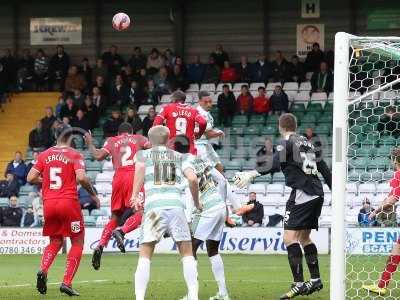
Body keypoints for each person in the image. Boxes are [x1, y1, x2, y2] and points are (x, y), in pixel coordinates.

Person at [233, 113, 324, 299]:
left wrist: (252, 173)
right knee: (305, 238)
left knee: (289, 239)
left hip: (302, 192)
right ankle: (315, 279)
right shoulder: (306, 142)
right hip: (316, 191)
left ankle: (298, 284)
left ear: (280, 126)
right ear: (296, 126)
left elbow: (274, 162)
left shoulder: (287, 142)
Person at [26, 124, 99, 296]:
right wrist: (93, 194)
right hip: (68, 204)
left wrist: (46, 182)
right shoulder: (74, 155)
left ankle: (43, 269)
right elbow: (81, 177)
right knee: (77, 241)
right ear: (69, 136)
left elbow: (30, 177)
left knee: (55, 242)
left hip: (49, 204)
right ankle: (66, 282)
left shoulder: (45, 155)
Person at [130, 126, 201, 300]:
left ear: (149, 140)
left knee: (146, 253)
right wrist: (197, 202)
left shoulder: (142, 155)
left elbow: (139, 171)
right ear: (168, 139)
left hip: (154, 208)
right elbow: (192, 178)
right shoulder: (180, 156)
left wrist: (134, 195)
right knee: (187, 252)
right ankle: (193, 296)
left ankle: (140, 298)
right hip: (176, 207)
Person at [174, 135, 231, 300]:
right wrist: (223, 205)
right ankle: (223, 293)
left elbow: (189, 191)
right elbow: (222, 180)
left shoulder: (184, 164)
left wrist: (192, 213)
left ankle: (192, 295)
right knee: (212, 249)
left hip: (207, 209)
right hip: (219, 205)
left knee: (189, 249)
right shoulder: (200, 160)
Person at [85, 123, 148, 268]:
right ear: (131, 132)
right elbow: (153, 146)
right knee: (140, 212)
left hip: (118, 179)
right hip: (134, 176)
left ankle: (101, 245)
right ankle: (122, 231)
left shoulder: (111, 140)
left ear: (119, 133)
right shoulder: (139, 138)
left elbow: (98, 156)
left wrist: (90, 143)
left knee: (115, 217)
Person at [362, 147, 400, 296]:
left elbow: (392, 200)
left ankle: (382, 285)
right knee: (396, 251)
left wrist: (375, 211)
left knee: (396, 252)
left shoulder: (398, 174)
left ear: (393, 160)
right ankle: (381, 285)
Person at [153, 90, 207, 155]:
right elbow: (203, 122)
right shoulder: (193, 110)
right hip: (189, 150)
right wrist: (199, 134)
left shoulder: (167, 108)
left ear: (174, 100)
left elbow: (156, 123)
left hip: (172, 150)